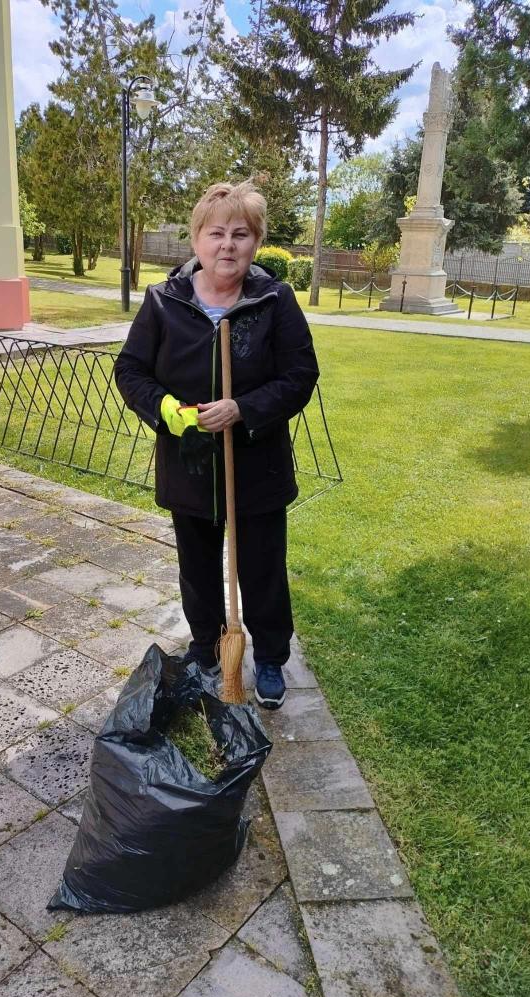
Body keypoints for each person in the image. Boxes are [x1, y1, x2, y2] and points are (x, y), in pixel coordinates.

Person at [114, 181, 319, 708]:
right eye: (216, 233)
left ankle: (269, 656)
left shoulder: (274, 301)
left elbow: (300, 375)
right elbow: (130, 370)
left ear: (257, 242)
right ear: (196, 240)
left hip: (257, 466)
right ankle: (207, 649)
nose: (228, 244)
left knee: (262, 568)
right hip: (190, 465)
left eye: (241, 234)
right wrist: (169, 411)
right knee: (198, 568)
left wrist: (243, 408)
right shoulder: (163, 301)